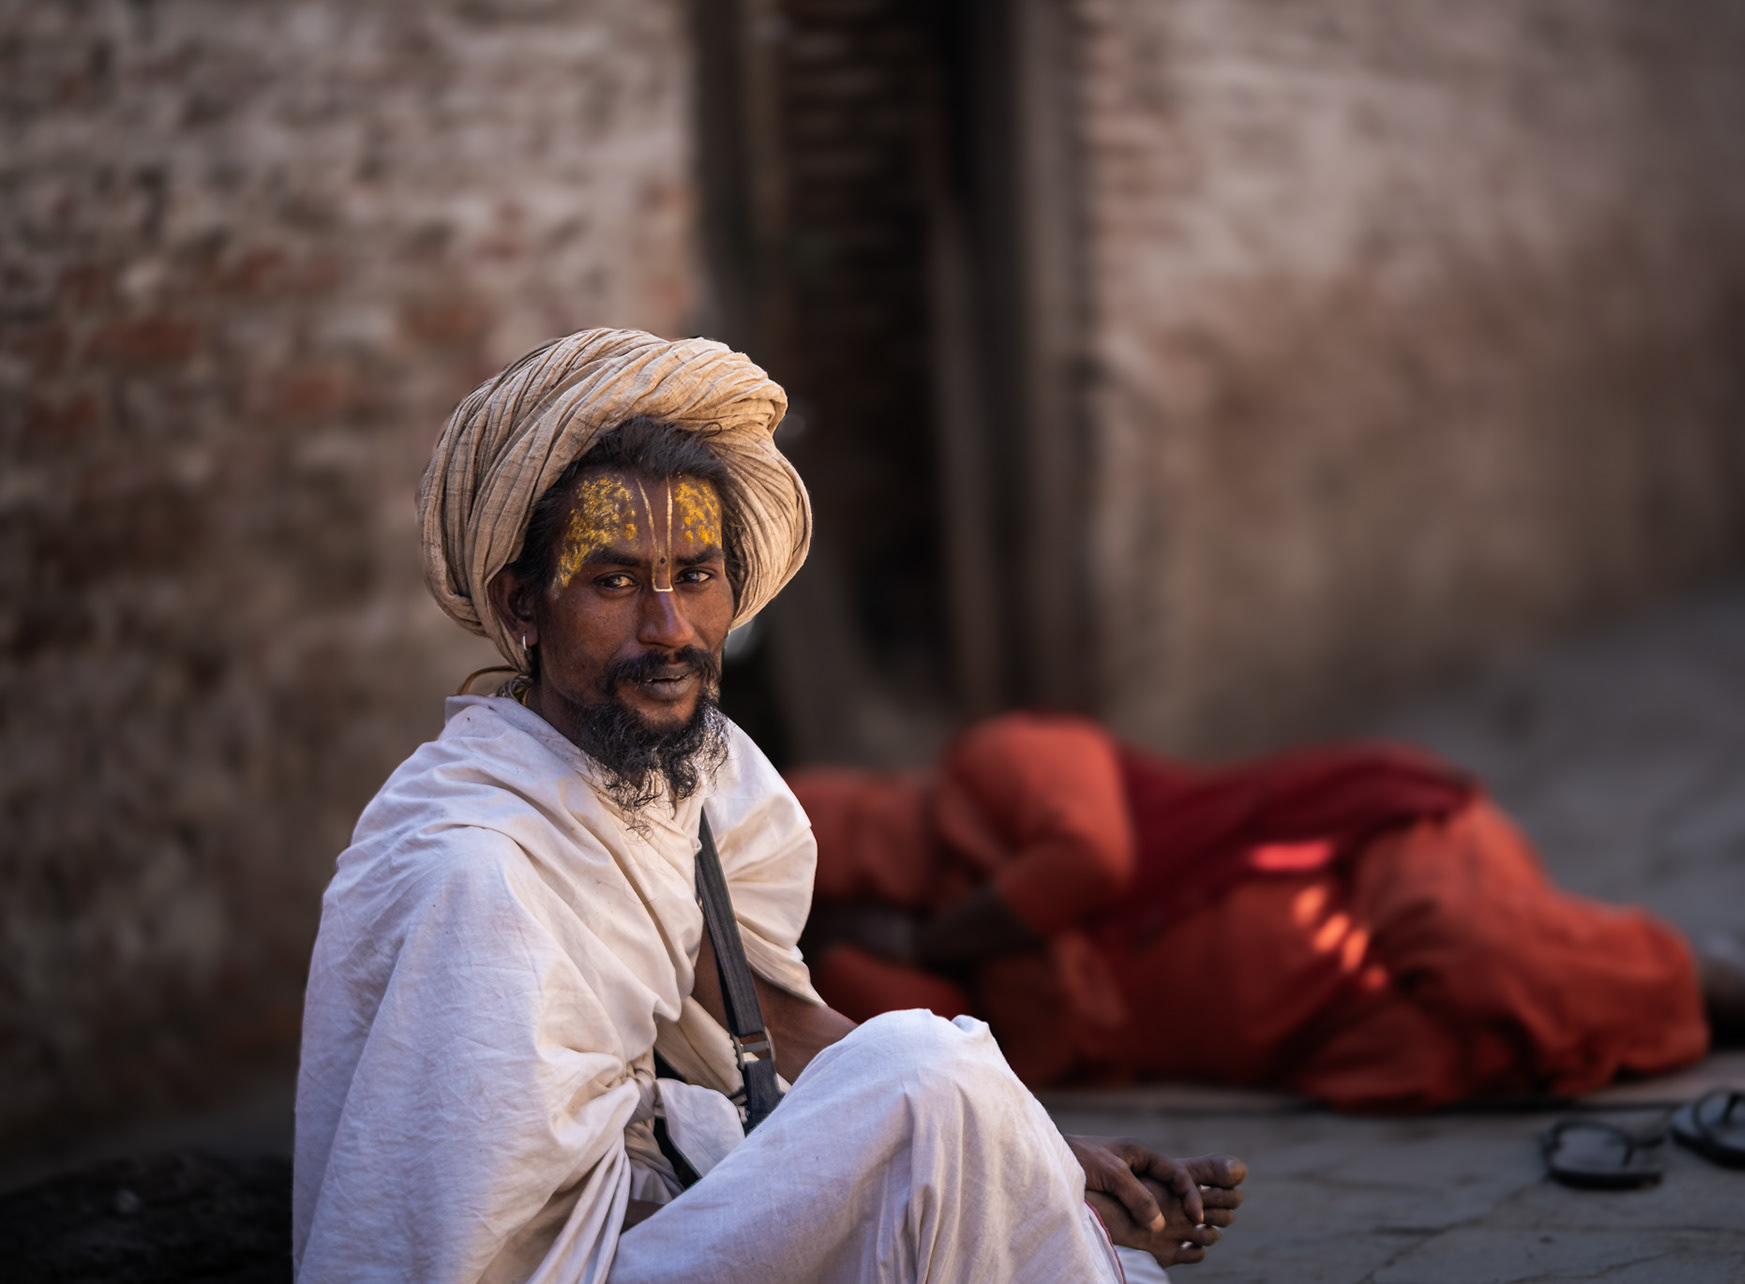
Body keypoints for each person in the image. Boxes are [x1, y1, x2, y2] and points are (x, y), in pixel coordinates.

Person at [292, 330, 1245, 1284]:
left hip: (657, 1205)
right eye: (615, 581)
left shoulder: (687, 776)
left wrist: (1026, 1153)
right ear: (522, 608)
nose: (669, 630)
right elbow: (428, 1237)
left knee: (938, 1099)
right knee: (926, 1069)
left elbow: (767, 1025)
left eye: (696, 577)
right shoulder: (470, 869)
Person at [794, 713, 1745, 1111]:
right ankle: (1629, 988)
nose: (837, 879)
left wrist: (943, 935)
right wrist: (847, 956)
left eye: (814, 848)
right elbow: (955, 1052)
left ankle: (1684, 971)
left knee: (1485, 963)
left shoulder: (995, 763)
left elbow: (1091, 856)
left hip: (1370, 855)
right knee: (1460, 1058)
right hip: (1304, 1022)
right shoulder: (933, 975)